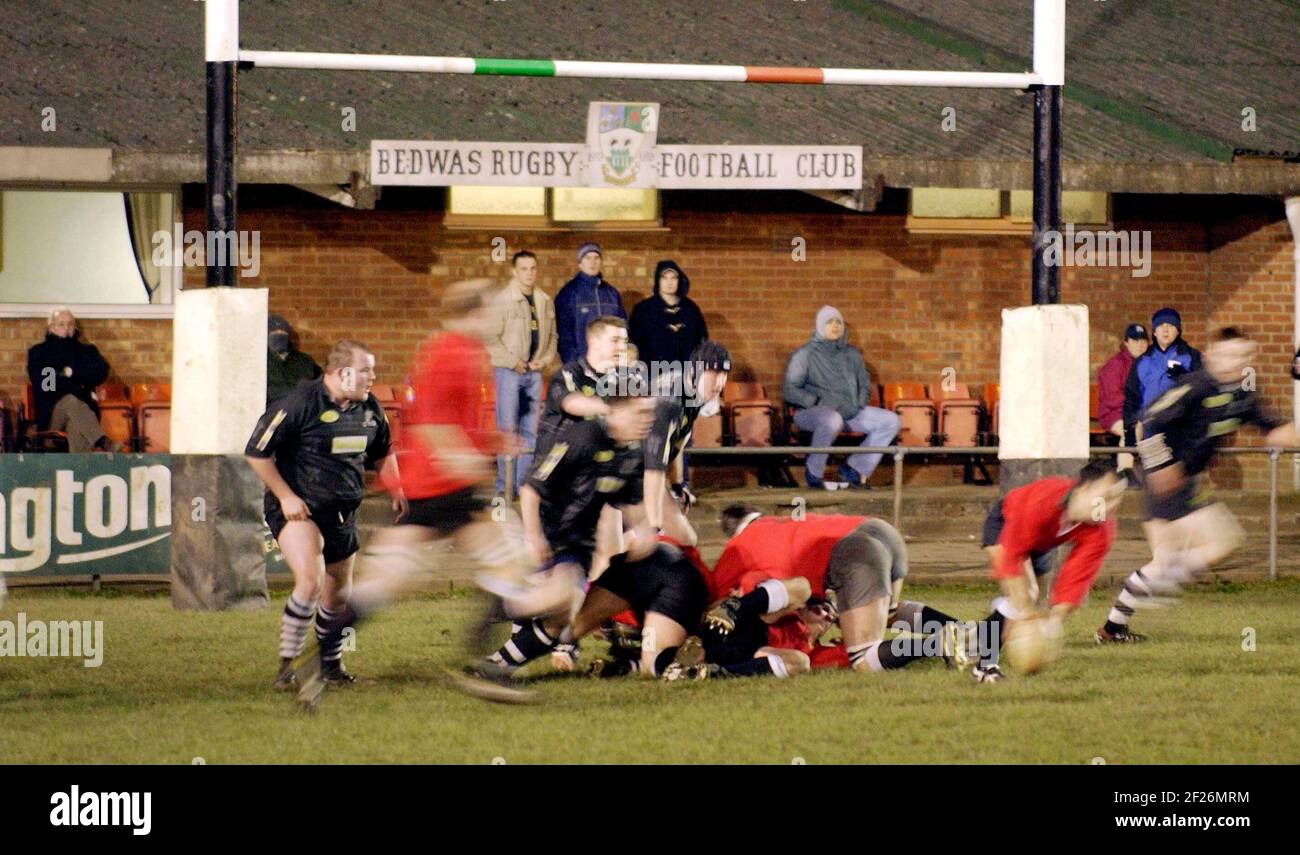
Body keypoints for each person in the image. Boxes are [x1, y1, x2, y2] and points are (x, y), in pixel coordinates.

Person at [293, 281, 561, 708]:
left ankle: (318, 664)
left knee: (384, 582)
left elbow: (449, 419)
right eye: (491, 310)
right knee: (508, 566)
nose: (495, 318)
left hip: (428, 487)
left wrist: (491, 441)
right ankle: (484, 667)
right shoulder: (453, 353)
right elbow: (433, 423)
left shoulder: (454, 350)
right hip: (447, 487)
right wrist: (464, 461)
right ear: (474, 312)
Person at [1098, 328, 1298, 643]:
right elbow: (1148, 423)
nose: (1236, 362)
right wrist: (1161, 467)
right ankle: (1163, 584)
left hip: (1186, 482)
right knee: (1223, 540)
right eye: (1229, 354)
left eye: (1244, 356)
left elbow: (1275, 432)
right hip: (1163, 480)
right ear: (1211, 355)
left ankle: (1113, 628)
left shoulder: (1243, 395)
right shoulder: (1195, 387)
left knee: (1167, 559)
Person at [468, 381, 663, 682]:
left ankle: (496, 663)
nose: (647, 421)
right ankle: (498, 609)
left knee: (562, 616)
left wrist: (645, 532)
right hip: (547, 531)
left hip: (579, 544)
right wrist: (534, 537)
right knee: (560, 598)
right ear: (616, 413)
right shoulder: (582, 437)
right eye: (640, 414)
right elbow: (532, 489)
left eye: (649, 415)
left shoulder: (631, 456)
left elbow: (633, 506)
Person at [245, 340, 393, 691]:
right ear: (343, 373)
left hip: (343, 511)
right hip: (300, 509)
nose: (372, 377)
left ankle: (331, 665)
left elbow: (384, 450)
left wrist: (398, 488)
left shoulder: (369, 408)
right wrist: (286, 497)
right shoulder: (298, 403)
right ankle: (286, 669)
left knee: (338, 594)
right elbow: (256, 453)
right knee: (310, 581)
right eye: (366, 370)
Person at [704, 506, 965, 675]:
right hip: (882, 530)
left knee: (864, 657)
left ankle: (937, 644)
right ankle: (975, 636)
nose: (826, 615)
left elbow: (716, 597)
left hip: (856, 551)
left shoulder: (743, 548)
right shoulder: (781, 525)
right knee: (888, 614)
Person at [971, 459, 1125, 681]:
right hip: (1006, 522)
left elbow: (1076, 578)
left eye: (1115, 502)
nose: (1108, 509)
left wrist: (1052, 623)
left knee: (1036, 607)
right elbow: (1011, 556)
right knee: (1023, 599)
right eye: (1106, 498)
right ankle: (984, 666)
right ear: (1083, 488)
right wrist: (1022, 605)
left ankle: (967, 644)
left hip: (1040, 542)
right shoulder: (1045, 500)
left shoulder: (1102, 527)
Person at [782, 305, 900, 489]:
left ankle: (854, 468)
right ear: (820, 325)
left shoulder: (852, 355)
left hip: (849, 411)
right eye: (830, 322)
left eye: (838, 322)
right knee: (832, 419)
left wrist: (858, 403)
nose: (835, 325)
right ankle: (814, 472)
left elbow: (864, 385)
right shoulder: (804, 354)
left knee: (890, 421)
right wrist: (817, 402)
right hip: (811, 413)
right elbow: (790, 390)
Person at [641, 340, 731, 546]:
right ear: (695, 371)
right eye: (713, 373)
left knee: (687, 541)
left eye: (724, 374)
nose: (719, 382)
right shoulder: (668, 401)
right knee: (648, 546)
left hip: (642, 473)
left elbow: (678, 442)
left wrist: (677, 484)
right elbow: (652, 469)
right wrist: (655, 526)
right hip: (623, 476)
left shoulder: (693, 392)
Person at [485, 250, 557, 495]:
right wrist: (512, 361)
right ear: (514, 271)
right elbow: (490, 339)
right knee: (507, 429)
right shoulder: (503, 300)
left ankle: (523, 485)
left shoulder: (545, 300)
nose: (529, 273)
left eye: (533, 268)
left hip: (533, 373)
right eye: (524, 269)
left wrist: (543, 361)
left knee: (531, 431)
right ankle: (504, 486)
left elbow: (552, 338)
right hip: (508, 372)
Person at [533, 315, 629, 463]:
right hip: (559, 467)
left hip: (601, 468)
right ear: (594, 342)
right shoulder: (569, 373)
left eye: (625, 341)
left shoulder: (625, 379)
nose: (622, 347)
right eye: (615, 340)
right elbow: (572, 403)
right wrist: (619, 408)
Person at [26, 307, 113, 452]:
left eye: (70, 324)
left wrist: (68, 373)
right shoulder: (40, 353)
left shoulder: (87, 351)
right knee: (70, 401)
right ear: (51, 327)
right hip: (52, 414)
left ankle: (78, 470)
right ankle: (101, 440)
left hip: (83, 413)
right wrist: (81, 386)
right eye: (61, 324)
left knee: (77, 423)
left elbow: (100, 373)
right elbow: (47, 385)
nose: (66, 328)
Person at [1123, 307, 1201, 449]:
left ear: (1178, 331)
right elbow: (1131, 397)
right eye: (1161, 325)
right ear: (1154, 332)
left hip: (1182, 432)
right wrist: (1130, 430)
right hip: (1150, 432)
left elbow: (1202, 390)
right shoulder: (1142, 361)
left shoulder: (1192, 356)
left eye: (1171, 325)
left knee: (1181, 470)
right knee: (1155, 470)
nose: (1165, 330)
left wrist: (1185, 377)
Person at [553, 242, 626, 364]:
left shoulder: (611, 293)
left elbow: (622, 326)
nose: (593, 262)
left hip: (610, 363)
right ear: (580, 263)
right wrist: (573, 362)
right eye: (588, 258)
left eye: (596, 258)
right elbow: (563, 332)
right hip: (582, 363)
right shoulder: (568, 293)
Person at [628, 260, 708, 368]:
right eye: (664, 277)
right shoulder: (643, 309)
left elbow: (702, 341)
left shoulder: (691, 309)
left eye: (673, 278)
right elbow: (634, 343)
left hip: (686, 373)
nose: (669, 282)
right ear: (658, 280)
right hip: (653, 373)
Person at [1097, 323, 1148, 473]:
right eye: (1135, 340)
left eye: (1143, 341)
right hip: (1114, 414)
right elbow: (1112, 397)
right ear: (1126, 343)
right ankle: (1124, 473)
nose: (1140, 345)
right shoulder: (1115, 365)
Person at [266, 314, 322, 405]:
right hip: (271, 413)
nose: (279, 334)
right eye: (274, 331)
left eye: (283, 331)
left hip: (302, 413)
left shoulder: (305, 361)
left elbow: (320, 386)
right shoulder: (260, 361)